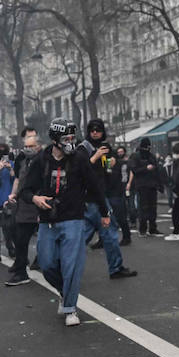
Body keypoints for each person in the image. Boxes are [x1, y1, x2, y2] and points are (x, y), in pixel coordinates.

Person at [20, 118, 109, 326]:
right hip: (47, 221)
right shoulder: (41, 160)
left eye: (72, 137)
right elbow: (25, 189)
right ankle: (64, 290)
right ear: (55, 139)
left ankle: (70, 308)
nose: (70, 141)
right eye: (66, 138)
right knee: (47, 263)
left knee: (72, 265)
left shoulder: (79, 158)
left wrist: (105, 212)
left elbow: (95, 186)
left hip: (73, 218)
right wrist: (35, 199)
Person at [79, 119, 137, 281]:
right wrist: (96, 157)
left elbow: (108, 171)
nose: (95, 132)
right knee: (108, 232)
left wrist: (111, 163)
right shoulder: (84, 148)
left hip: (99, 194)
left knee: (83, 235)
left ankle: (60, 263)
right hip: (93, 196)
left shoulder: (105, 147)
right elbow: (80, 170)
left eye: (98, 130)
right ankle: (115, 267)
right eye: (92, 130)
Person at [5, 127, 43, 287]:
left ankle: (35, 264)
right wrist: (13, 194)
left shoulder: (44, 160)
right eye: (26, 146)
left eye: (31, 145)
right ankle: (21, 270)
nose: (28, 149)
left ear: (38, 146)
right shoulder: (23, 159)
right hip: (24, 204)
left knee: (44, 239)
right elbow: (18, 180)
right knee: (20, 238)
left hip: (39, 204)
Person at [131, 139, 162, 236]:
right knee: (143, 208)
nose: (148, 149)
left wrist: (159, 185)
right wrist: (146, 168)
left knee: (153, 208)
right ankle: (143, 229)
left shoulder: (152, 156)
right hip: (142, 185)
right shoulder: (136, 156)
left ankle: (153, 228)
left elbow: (157, 170)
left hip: (152, 185)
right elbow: (134, 170)